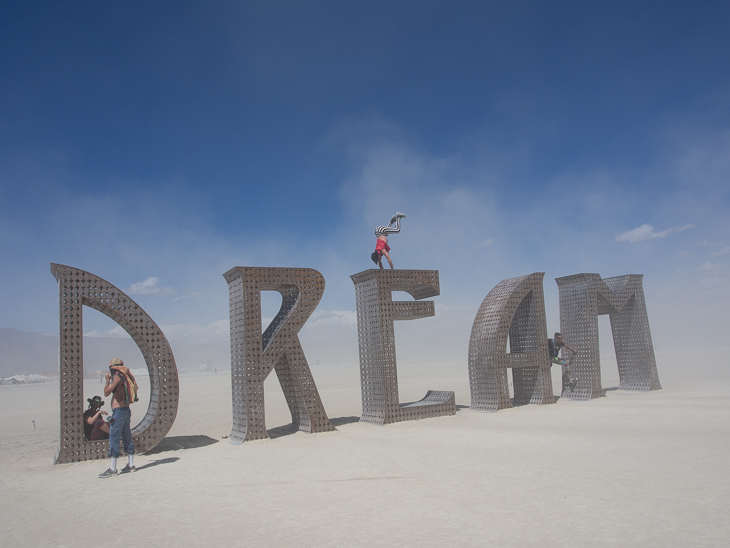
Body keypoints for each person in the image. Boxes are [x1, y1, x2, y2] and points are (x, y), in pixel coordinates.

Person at [98, 358, 138, 478]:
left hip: (118, 411)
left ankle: (112, 468)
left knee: (114, 436)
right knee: (127, 436)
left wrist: (107, 381)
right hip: (126, 410)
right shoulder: (126, 376)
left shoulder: (117, 377)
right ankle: (131, 464)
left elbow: (106, 393)